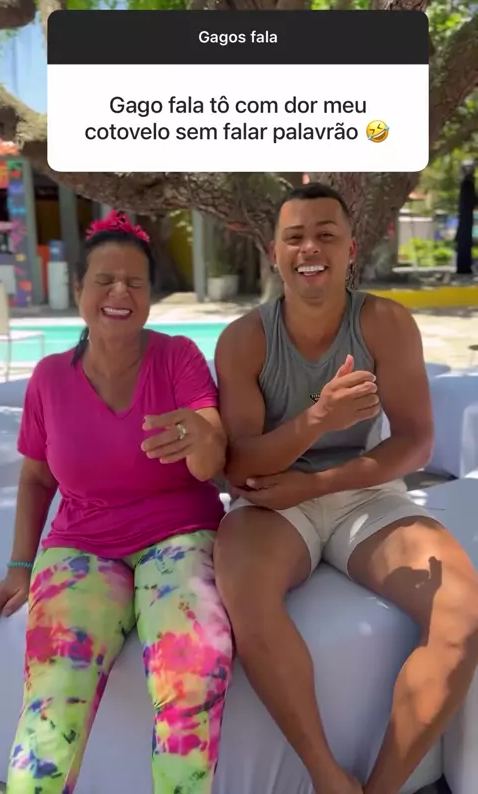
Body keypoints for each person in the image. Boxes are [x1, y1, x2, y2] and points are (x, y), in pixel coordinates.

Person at [214, 182, 478, 794]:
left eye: (326, 235)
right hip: (271, 498)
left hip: (362, 489)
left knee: (461, 614)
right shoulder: (245, 339)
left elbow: (414, 443)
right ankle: (328, 777)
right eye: (295, 237)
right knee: (247, 599)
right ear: (274, 253)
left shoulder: (384, 323)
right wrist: (316, 420)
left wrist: (317, 483)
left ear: (351, 249)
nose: (310, 248)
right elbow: (238, 466)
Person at [0, 211, 233, 794]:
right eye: (104, 280)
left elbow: (211, 461)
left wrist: (203, 438)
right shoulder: (49, 378)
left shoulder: (178, 357)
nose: (120, 293)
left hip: (179, 534)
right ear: (80, 288)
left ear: (151, 294)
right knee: (55, 693)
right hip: (82, 543)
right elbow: (36, 478)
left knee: (193, 668)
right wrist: (20, 566)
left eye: (135, 282)